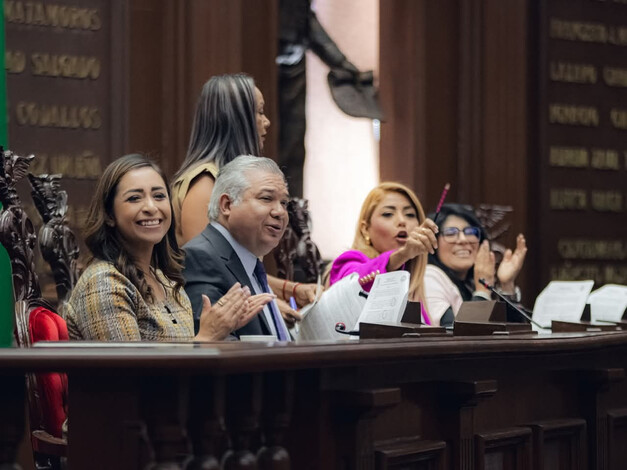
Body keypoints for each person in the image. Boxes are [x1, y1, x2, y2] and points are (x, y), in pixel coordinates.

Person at [66, 154, 273, 342]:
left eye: (159, 196)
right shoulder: (104, 283)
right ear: (110, 215)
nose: (151, 207)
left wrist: (224, 328)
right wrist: (206, 338)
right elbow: (127, 378)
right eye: (134, 198)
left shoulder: (167, 282)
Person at [171, 73, 315, 321]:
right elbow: (212, 267)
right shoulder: (205, 184)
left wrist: (288, 289)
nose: (267, 122)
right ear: (235, 120)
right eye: (259, 112)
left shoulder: (222, 177)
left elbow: (238, 268)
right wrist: (268, 303)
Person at [183, 156, 294, 340]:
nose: (280, 212)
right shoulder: (201, 258)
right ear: (227, 205)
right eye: (266, 198)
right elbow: (217, 346)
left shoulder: (249, 262)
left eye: (284, 203)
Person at [328, 182, 438, 324]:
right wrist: (402, 254)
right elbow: (353, 285)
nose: (402, 221)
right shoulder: (349, 261)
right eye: (388, 214)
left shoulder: (413, 283)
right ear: (365, 229)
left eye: (410, 214)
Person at [424, 203, 527, 327]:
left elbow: (513, 336)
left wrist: (506, 285)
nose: (463, 239)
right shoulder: (429, 277)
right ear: (433, 242)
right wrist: (482, 291)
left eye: (470, 231)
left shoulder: (470, 282)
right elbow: (457, 337)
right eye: (451, 233)